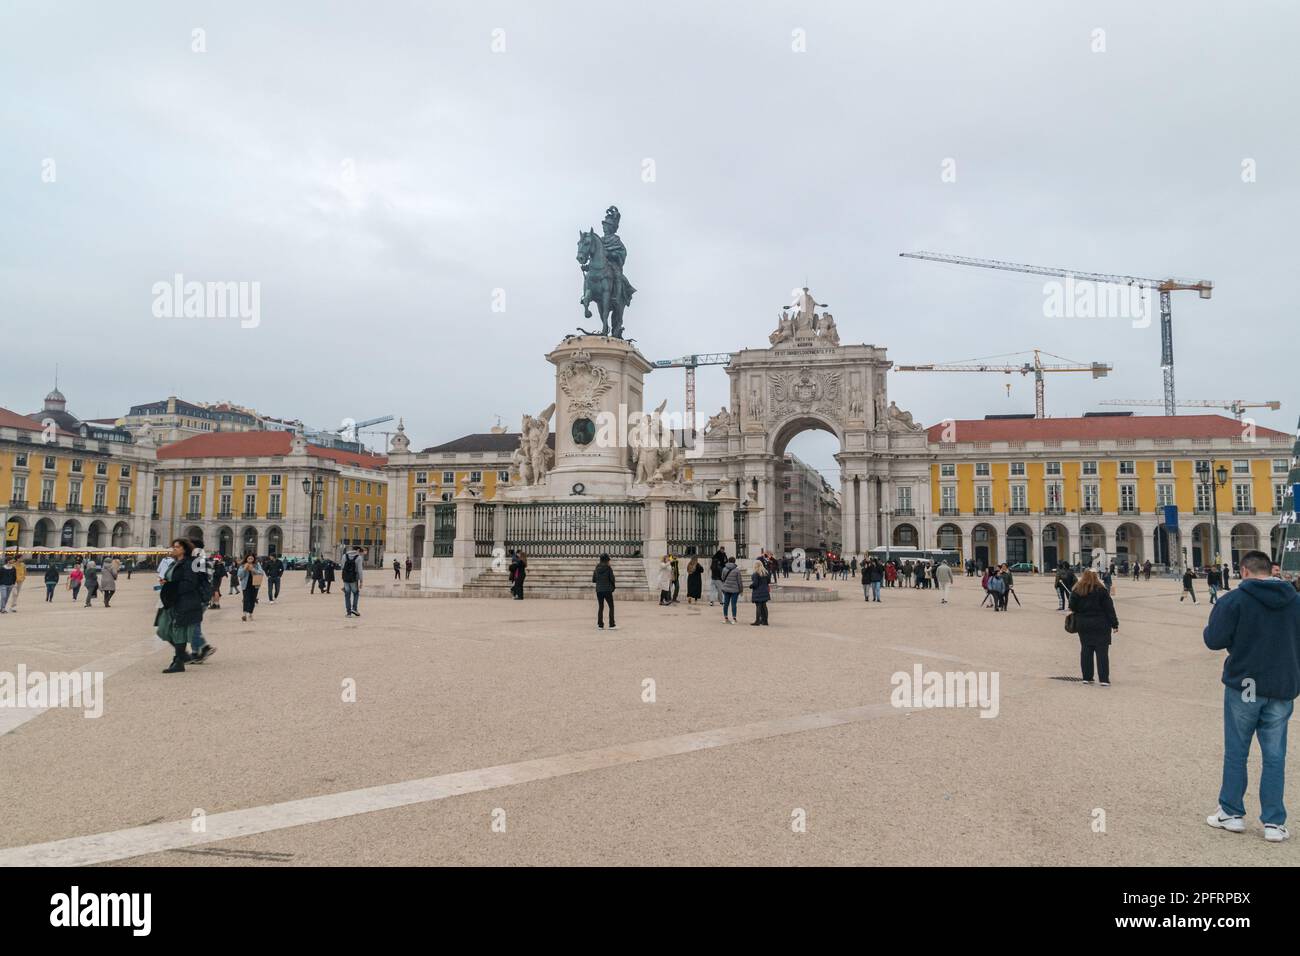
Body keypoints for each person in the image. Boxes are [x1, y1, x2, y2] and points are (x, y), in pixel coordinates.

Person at [1203, 550, 1300, 842]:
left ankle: (1231, 813)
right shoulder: (1295, 602)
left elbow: (1214, 640)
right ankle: (1273, 823)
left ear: (1244, 571)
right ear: (1271, 569)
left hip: (1245, 683)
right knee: (1274, 755)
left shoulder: (1233, 600)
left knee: (1237, 750)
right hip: (1282, 684)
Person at [157, 538, 209, 673]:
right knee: (163, 629)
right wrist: (165, 582)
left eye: (177, 547)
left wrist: (171, 587)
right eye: (173, 547)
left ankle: (178, 661)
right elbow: (171, 579)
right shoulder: (174, 563)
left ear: (184, 549)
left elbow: (190, 583)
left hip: (184, 601)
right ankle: (182, 655)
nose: (173, 549)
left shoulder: (189, 564)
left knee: (178, 630)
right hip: (171, 600)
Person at [1069, 569, 1119, 685]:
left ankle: (1087, 677)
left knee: (1086, 650)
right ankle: (1104, 679)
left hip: (1084, 624)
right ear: (1096, 577)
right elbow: (1109, 609)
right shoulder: (1102, 590)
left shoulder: (1077, 590)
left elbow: (1072, 606)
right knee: (1102, 652)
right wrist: (1114, 624)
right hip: (1101, 624)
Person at [592, 553, 616, 630]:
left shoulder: (597, 567)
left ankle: (600, 625)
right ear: (607, 560)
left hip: (599, 590)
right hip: (607, 590)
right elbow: (612, 579)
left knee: (601, 607)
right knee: (611, 607)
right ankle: (611, 624)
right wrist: (613, 587)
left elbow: (594, 579)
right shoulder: (608, 568)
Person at [341, 545, 366, 617]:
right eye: (360, 551)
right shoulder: (358, 558)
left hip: (345, 578)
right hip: (354, 579)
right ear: (357, 550)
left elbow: (342, 567)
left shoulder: (344, 556)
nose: (360, 553)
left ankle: (348, 613)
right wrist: (361, 581)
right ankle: (354, 609)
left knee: (347, 595)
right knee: (356, 593)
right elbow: (359, 570)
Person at [238, 553, 263, 622]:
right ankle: (244, 614)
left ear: (254, 559)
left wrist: (253, 570)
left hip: (255, 585)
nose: (250, 560)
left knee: (252, 599)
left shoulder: (257, 565)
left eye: (252, 558)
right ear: (246, 559)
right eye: (249, 558)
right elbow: (239, 575)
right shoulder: (243, 565)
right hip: (245, 585)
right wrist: (245, 569)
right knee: (246, 599)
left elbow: (261, 573)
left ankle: (250, 613)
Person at [719, 555, 742, 624]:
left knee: (726, 604)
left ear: (728, 561)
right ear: (734, 562)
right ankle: (734, 619)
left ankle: (726, 618)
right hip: (735, 589)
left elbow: (722, 578)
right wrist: (741, 590)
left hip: (726, 589)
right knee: (733, 604)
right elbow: (739, 581)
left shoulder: (724, 569)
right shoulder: (737, 570)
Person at [749, 558, 770, 626]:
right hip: (765, 591)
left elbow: (755, 584)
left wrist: (750, 586)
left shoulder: (756, 574)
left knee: (758, 606)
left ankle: (757, 621)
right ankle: (765, 621)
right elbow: (768, 582)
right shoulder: (766, 573)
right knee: (764, 606)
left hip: (758, 591)